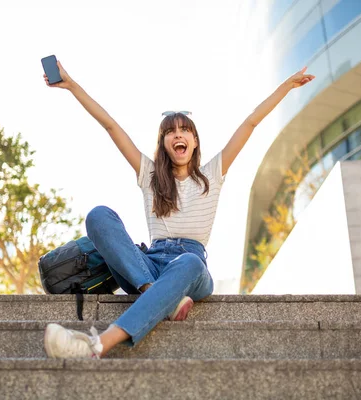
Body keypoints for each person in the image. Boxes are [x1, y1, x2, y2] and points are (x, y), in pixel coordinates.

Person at [42, 59, 314, 359]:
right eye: (170, 132)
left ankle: (97, 345)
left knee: (190, 262)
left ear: (195, 141)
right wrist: (72, 86)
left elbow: (250, 122)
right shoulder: (149, 175)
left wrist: (286, 87)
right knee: (99, 216)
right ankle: (156, 294)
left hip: (189, 268)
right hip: (147, 265)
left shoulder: (212, 175)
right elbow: (110, 125)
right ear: (164, 143)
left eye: (185, 130)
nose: (178, 135)